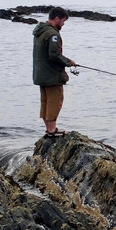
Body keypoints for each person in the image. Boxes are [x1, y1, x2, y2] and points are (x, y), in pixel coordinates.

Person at [32, 7, 76, 137]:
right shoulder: (53, 34)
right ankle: (52, 130)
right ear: (56, 18)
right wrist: (69, 62)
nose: (63, 24)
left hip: (40, 73)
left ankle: (49, 129)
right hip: (51, 74)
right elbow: (54, 55)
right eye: (63, 21)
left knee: (45, 101)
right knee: (55, 101)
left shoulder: (40, 31)